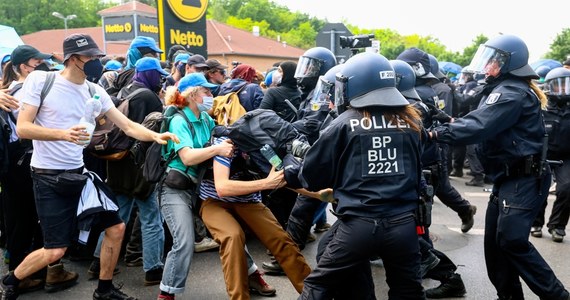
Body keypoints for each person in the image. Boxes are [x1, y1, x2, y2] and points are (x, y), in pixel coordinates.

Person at [0, 33, 178, 300]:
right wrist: (64, 134)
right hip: (48, 177)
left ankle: (104, 290)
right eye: (91, 56)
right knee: (56, 250)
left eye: (97, 56)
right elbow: (24, 128)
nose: (97, 60)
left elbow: (127, 125)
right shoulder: (42, 80)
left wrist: (155, 136)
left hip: (81, 175)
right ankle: (10, 280)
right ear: (74, 58)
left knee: (116, 228)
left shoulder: (95, 91)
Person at [430, 34, 570, 300]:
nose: (487, 67)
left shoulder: (511, 93)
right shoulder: (504, 89)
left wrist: (435, 134)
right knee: (495, 247)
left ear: (507, 63)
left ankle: (558, 296)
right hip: (509, 178)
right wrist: (447, 120)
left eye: (492, 61)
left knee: (512, 242)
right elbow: (485, 121)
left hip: (524, 180)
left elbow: (479, 126)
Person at [297, 51, 425, 299]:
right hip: (404, 225)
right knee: (408, 290)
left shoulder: (343, 123)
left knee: (318, 286)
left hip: (359, 226)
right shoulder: (411, 122)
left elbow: (311, 178)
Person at [198, 104, 311, 300]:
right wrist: (266, 183)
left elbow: (281, 177)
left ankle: (315, 294)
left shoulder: (265, 148)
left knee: (281, 240)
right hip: (215, 201)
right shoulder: (226, 143)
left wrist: (317, 194)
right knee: (232, 237)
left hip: (248, 201)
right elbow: (222, 187)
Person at [0, 45, 75, 294]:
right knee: (28, 218)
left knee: (22, 217)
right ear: (23, 66)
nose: (42, 67)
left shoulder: (10, 89)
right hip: (23, 161)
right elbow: (30, 126)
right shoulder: (19, 93)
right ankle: (23, 276)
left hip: (16, 162)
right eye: (37, 62)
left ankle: (27, 270)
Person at [88, 57, 168, 286]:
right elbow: (152, 133)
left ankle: (97, 263)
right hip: (140, 165)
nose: (160, 78)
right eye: (157, 74)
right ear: (149, 74)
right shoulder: (148, 96)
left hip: (116, 163)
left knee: (116, 216)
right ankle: (153, 269)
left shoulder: (123, 90)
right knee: (151, 216)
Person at [390, 59, 467, 298]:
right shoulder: (415, 101)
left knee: (415, 232)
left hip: (413, 175)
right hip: (414, 172)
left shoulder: (412, 107)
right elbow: (448, 119)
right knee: (412, 232)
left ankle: (448, 277)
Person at [157, 72, 232, 300]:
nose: (211, 94)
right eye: (206, 91)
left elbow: (219, 136)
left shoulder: (206, 120)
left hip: (197, 188)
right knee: (184, 243)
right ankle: (166, 294)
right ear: (192, 95)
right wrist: (218, 149)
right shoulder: (179, 120)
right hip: (174, 189)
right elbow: (188, 157)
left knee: (231, 232)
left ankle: (252, 275)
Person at [397, 47, 477, 233]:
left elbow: (439, 119)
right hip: (429, 148)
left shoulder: (419, 93)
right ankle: (465, 210)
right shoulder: (424, 90)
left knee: (427, 194)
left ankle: (423, 243)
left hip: (429, 148)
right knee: (440, 187)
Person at [531, 66, 570, 242]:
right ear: (549, 86)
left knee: (567, 188)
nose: (563, 89)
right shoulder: (541, 107)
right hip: (543, 154)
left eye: (566, 85)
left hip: (566, 156)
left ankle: (558, 225)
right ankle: (536, 222)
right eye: (559, 85)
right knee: (540, 188)